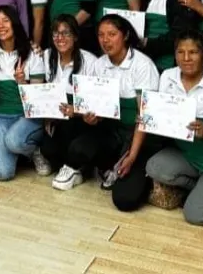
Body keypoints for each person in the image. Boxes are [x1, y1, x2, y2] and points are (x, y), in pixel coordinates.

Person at [59, 15, 160, 213]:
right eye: (101, 35)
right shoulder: (99, 64)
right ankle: (108, 167)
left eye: (112, 34)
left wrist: (132, 155)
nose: (106, 40)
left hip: (139, 136)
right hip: (113, 131)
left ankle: (143, 173)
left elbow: (145, 116)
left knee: (124, 200)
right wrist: (87, 116)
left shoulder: (142, 66)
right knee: (78, 147)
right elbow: (94, 105)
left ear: (126, 36)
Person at [144, 32, 203, 225]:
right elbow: (162, 115)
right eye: (180, 52)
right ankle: (201, 190)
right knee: (154, 167)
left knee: (195, 215)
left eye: (193, 52)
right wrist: (150, 117)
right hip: (188, 156)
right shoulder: (168, 76)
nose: (186, 58)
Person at [0, 6, 51, 181]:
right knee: (1, 173)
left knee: (13, 141)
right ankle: (18, 151)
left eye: (5, 20)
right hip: (2, 116)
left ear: (14, 23)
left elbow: (37, 102)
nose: (0, 25)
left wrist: (22, 83)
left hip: (27, 116)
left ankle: (35, 150)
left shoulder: (32, 52)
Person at [44, 16, 100, 189]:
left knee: (75, 142)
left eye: (66, 33)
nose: (60, 38)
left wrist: (75, 111)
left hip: (82, 119)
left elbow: (96, 101)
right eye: (56, 33)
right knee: (48, 150)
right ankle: (76, 167)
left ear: (75, 36)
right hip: (56, 116)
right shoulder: (46, 56)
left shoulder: (90, 61)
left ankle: (80, 167)